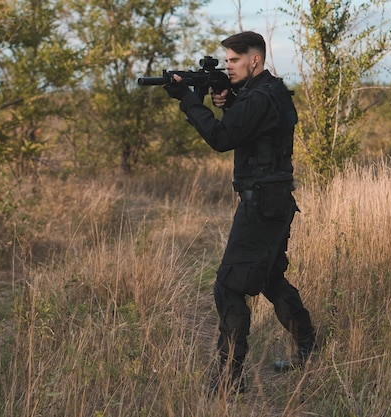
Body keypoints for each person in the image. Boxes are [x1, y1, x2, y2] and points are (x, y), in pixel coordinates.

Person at [163, 31, 316, 396]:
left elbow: (221, 138)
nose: (228, 66)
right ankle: (308, 345)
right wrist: (230, 102)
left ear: (255, 60)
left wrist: (187, 99)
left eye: (234, 60)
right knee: (268, 277)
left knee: (229, 286)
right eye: (226, 61)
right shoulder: (270, 91)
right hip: (274, 200)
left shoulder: (260, 97)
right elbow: (253, 132)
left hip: (262, 202)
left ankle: (229, 378)